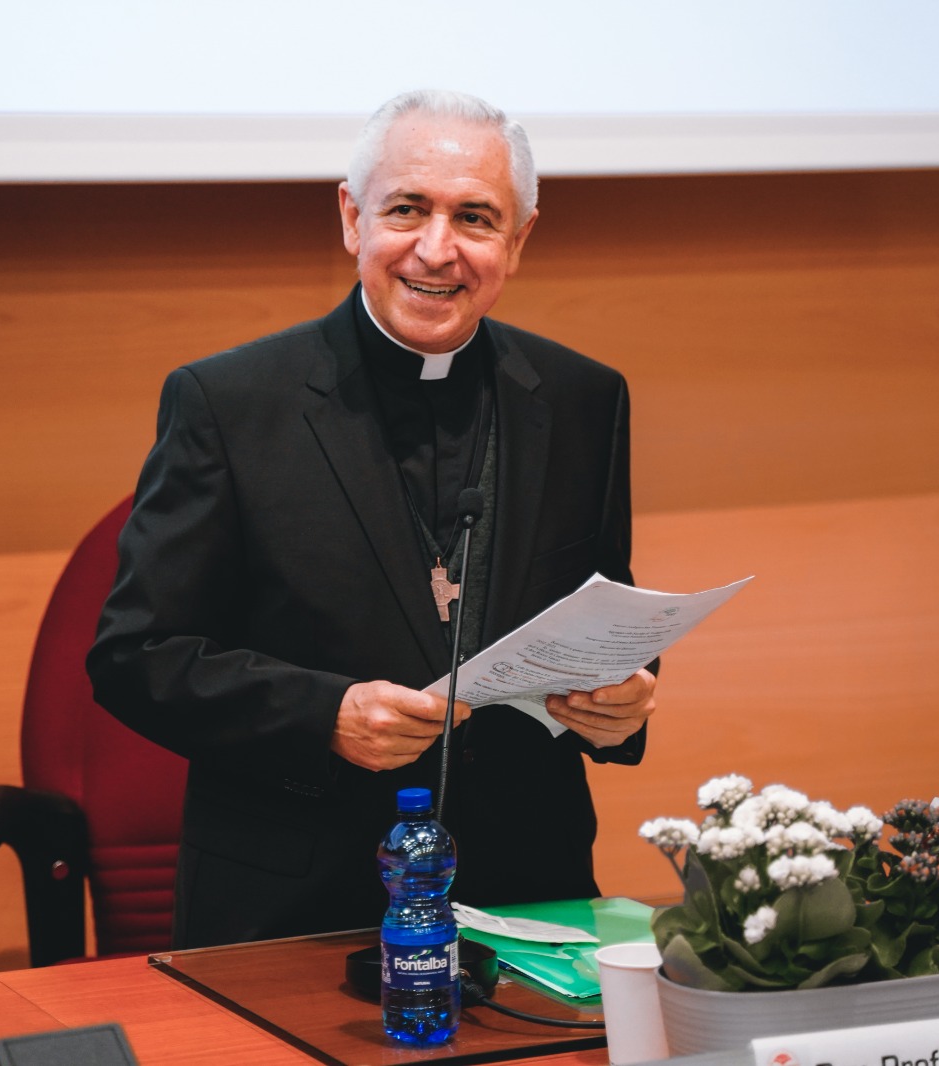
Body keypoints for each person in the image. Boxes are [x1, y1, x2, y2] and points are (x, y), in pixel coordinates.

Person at [87, 89, 656, 949]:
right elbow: (137, 655)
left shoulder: (583, 398)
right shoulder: (229, 403)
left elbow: (606, 613)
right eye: (406, 210)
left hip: (529, 896)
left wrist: (624, 700)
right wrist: (325, 714)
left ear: (518, 240)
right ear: (353, 218)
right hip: (299, 911)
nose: (437, 249)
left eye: (475, 217)